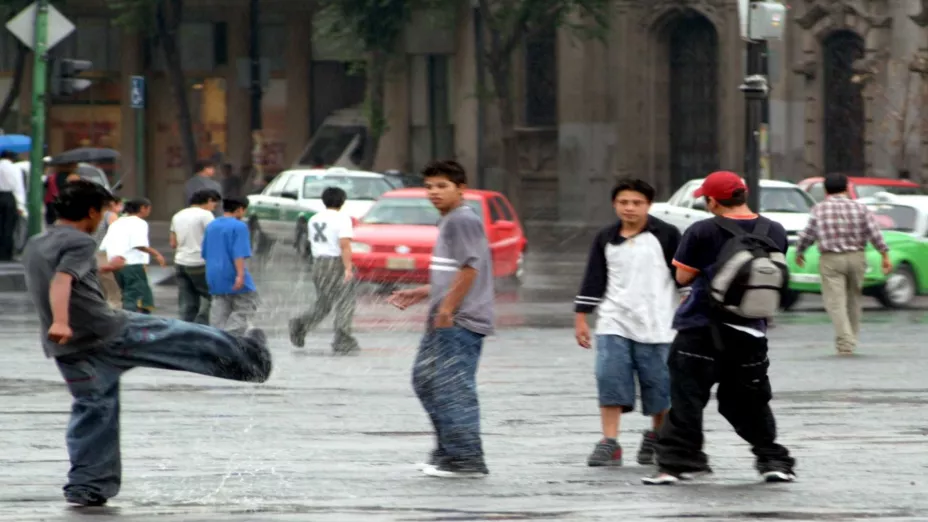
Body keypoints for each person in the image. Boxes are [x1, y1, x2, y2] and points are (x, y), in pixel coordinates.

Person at [21, 180, 271, 508]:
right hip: (108, 333)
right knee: (182, 335)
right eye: (102, 212)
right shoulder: (80, 241)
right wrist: (61, 320)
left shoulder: (37, 243)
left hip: (71, 349)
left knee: (94, 411)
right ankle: (249, 361)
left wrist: (103, 269)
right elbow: (62, 280)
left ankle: (88, 486)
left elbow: (60, 273)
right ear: (91, 212)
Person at [643, 171, 796, 485]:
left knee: (687, 398)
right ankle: (773, 460)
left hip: (701, 328)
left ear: (713, 200)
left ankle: (680, 463)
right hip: (751, 332)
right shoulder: (774, 229)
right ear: (743, 194)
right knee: (749, 401)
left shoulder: (702, 230)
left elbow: (683, 277)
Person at [388, 159, 494, 478]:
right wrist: (422, 292)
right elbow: (454, 271)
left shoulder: (461, 220)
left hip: (460, 320)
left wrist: (447, 310)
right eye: (430, 186)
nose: (434, 192)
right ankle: (448, 451)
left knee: (451, 387)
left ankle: (466, 458)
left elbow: (470, 268)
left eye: (442, 186)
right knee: (428, 382)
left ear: (461, 189)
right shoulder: (449, 220)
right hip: (446, 316)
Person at [574, 179, 681, 467]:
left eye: (636, 203)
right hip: (614, 321)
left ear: (648, 205)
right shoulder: (606, 237)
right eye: (623, 202)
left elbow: (683, 278)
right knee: (609, 378)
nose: (629, 208)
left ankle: (657, 436)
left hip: (659, 323)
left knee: (659, 385)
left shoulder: (667, 235)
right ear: (614, 205)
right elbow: (594, 277)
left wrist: (689, 315)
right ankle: (610, 442)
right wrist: (581, 317)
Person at [795, 173, 891, 355]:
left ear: (825, 190)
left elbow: (808, 233)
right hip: (857, 257)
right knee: (854, 299)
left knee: (835, 302)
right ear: (847, 188)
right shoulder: (861, 208)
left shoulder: (819, 209)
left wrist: (800, 251)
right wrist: (884, 255)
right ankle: (850, 339)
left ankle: (845, 341)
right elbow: (874, 233)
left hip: (831, 259)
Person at [288, 186, 360, 354]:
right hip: (335, 262)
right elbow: (344, 245)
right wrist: (348, 268)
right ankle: (343, 338)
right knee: (345, 301)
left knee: (324, 303)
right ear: (342, 201)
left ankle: (301, 324)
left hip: (318, 263)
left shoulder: (314, 219)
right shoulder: (343, 219)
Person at [202, 197, 259, 334]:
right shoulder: (239, 226)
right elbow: (238, 253)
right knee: (246, 306)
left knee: (219, 311)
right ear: (240, 209)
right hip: (232, 273)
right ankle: (230, 337)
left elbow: (205, 252)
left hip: (214, 275)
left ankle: (216, 338)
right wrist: (240, 275)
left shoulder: (212, 225)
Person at [100, 198, 166, 314]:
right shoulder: (139, 223)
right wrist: (156, 254)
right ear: (142, 208)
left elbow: (104, 246)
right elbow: (139, 245)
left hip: (116, 265)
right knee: (136, 297)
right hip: (133, 264)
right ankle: (133, 323)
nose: (149, 211)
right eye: (148, 208)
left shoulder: (117, 222)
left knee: (126, 295)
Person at [170, 189, 220, 324]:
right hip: (199, 262)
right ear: (209, 200)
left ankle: (185, 329)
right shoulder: (205, 215)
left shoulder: (177, 215)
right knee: (213, 297)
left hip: (180, 262)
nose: (214, 207)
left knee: (187, 302)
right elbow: (214, 238)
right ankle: (202, 327)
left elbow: (173, 243)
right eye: (214, 204)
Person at [92, 198, 123, 308]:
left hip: (92, 254)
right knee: (112, 291)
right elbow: (116, 233)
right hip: (104, 254)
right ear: (112, 204)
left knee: (101, 289)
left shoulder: (93, 215)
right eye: (120, 204)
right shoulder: (110, 215)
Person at [0, 150, 25, 261]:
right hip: (9, 196)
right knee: (9, 226)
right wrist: (21, 205)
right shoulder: (15, 168)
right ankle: (6, 253)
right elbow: (18, 187)